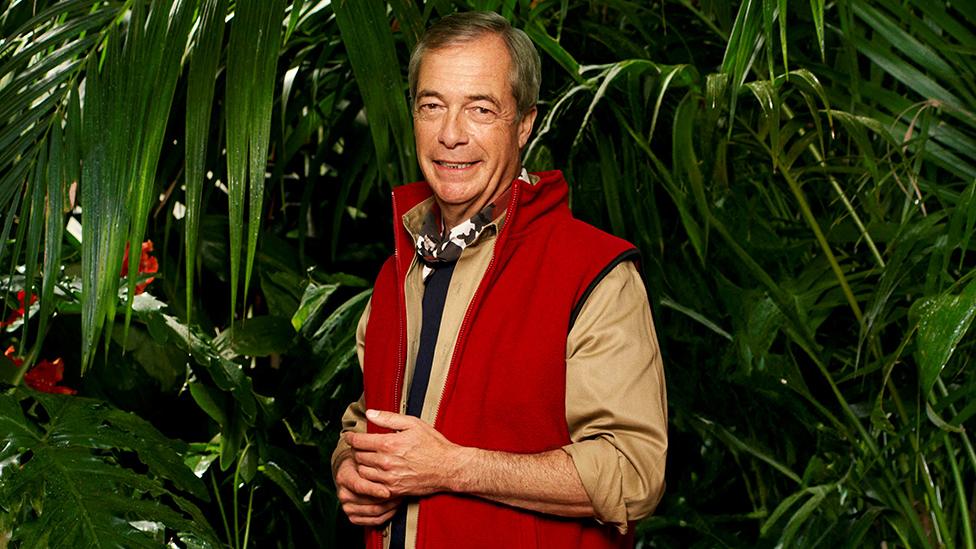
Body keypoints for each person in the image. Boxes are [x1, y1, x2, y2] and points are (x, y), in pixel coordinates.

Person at [331, 11, 667, 549]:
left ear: (525, 124)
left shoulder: (594, 273)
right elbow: (364, 416)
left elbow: (634, 472)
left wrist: (454, 468)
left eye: (480, 109)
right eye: (432, 106)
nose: (450, 135)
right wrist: (351, 467)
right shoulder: (399, 269)